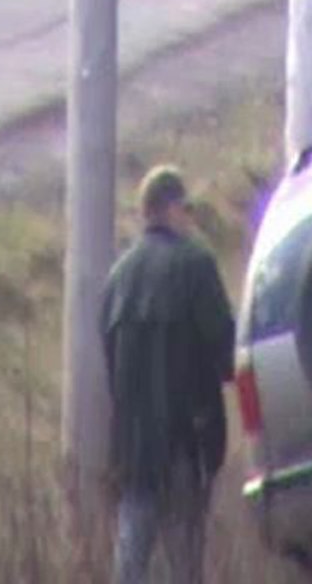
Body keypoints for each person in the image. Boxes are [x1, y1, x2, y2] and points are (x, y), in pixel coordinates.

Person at [100, 164, 234, 584]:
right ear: (171, 209)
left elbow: (110, 366)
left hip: (133, 450)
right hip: (184, 440)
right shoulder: (195, 265)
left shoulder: (116, 280)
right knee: (184, 565)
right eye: (185, 208)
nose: (190, 218)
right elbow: (225, 352)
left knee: (130, 563)